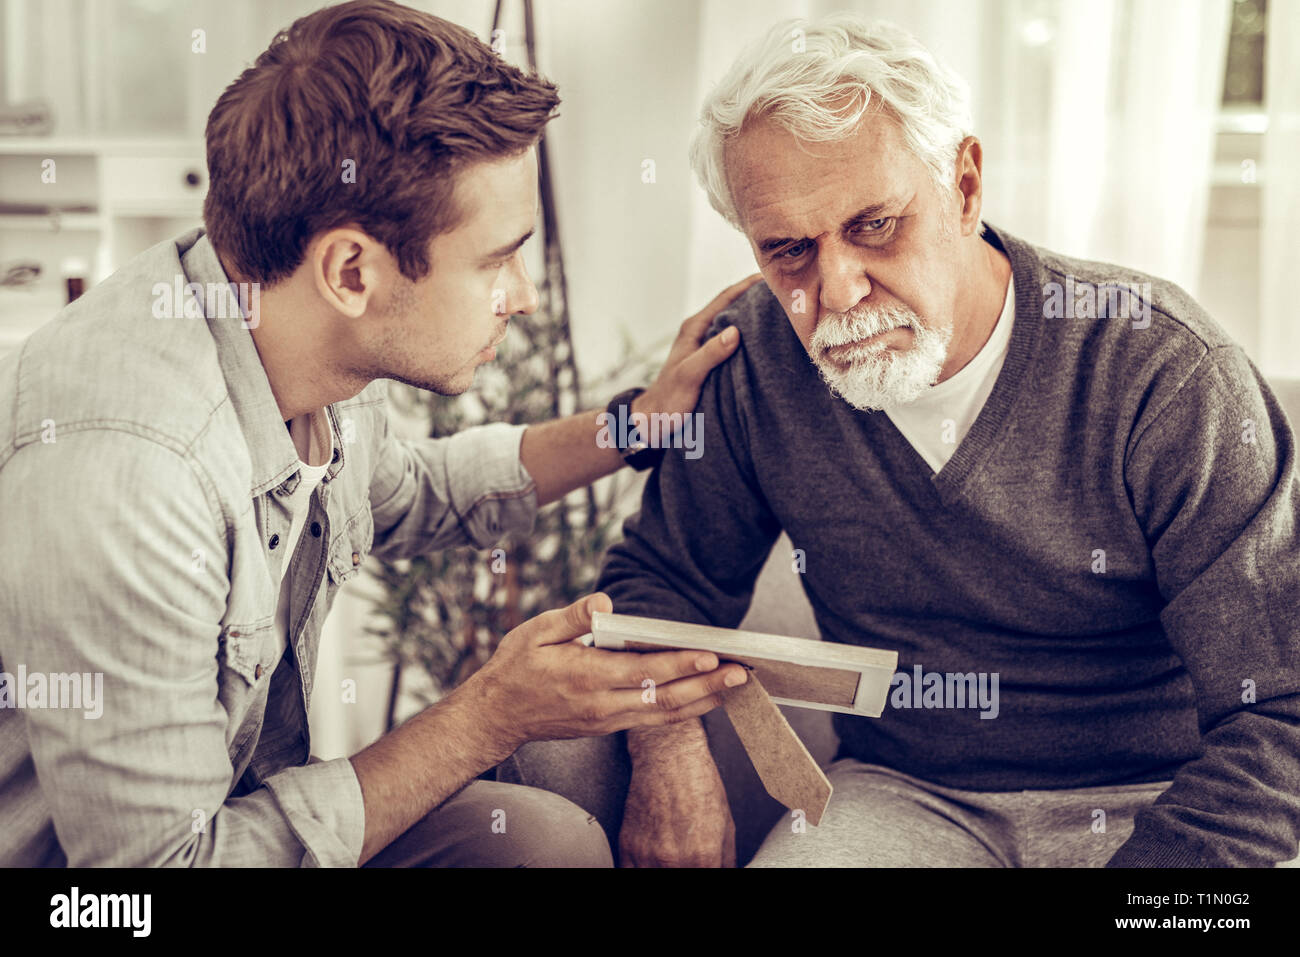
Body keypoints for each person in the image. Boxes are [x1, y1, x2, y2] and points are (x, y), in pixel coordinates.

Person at [0, 0, 753, 868]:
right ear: (352, 269)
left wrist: (633, 425)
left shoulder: (291, 331)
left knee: (542, 843)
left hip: (241, 816)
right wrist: (489, 713)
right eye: (496, 259)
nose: (524, 295)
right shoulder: (129, 475)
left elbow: (411, 488)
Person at [587, 13, 1300, 867]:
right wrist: (668, 753)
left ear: (964, 186)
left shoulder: (1164, 369)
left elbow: (1281, 710)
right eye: (788, 250)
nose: (838, 290)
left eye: (874, 225)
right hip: (906, 792)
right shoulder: (753, 362)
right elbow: (664, 581)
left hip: (1164, 796)